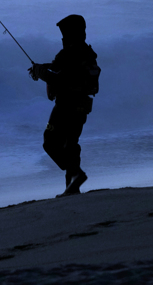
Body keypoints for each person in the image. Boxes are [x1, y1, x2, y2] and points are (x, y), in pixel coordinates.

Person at [29, 14, 100, 197]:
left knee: (50, 141)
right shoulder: (85, 51)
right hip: (82, 105)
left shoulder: (69, 53)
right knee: (70, 144)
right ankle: (73, 187)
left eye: (64, 32)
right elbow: (60, 67)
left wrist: (40, 72)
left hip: (66, 105)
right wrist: (42, 68)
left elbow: (59, 78)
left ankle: (75, 175)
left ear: (71, 33)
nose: (62, 37)